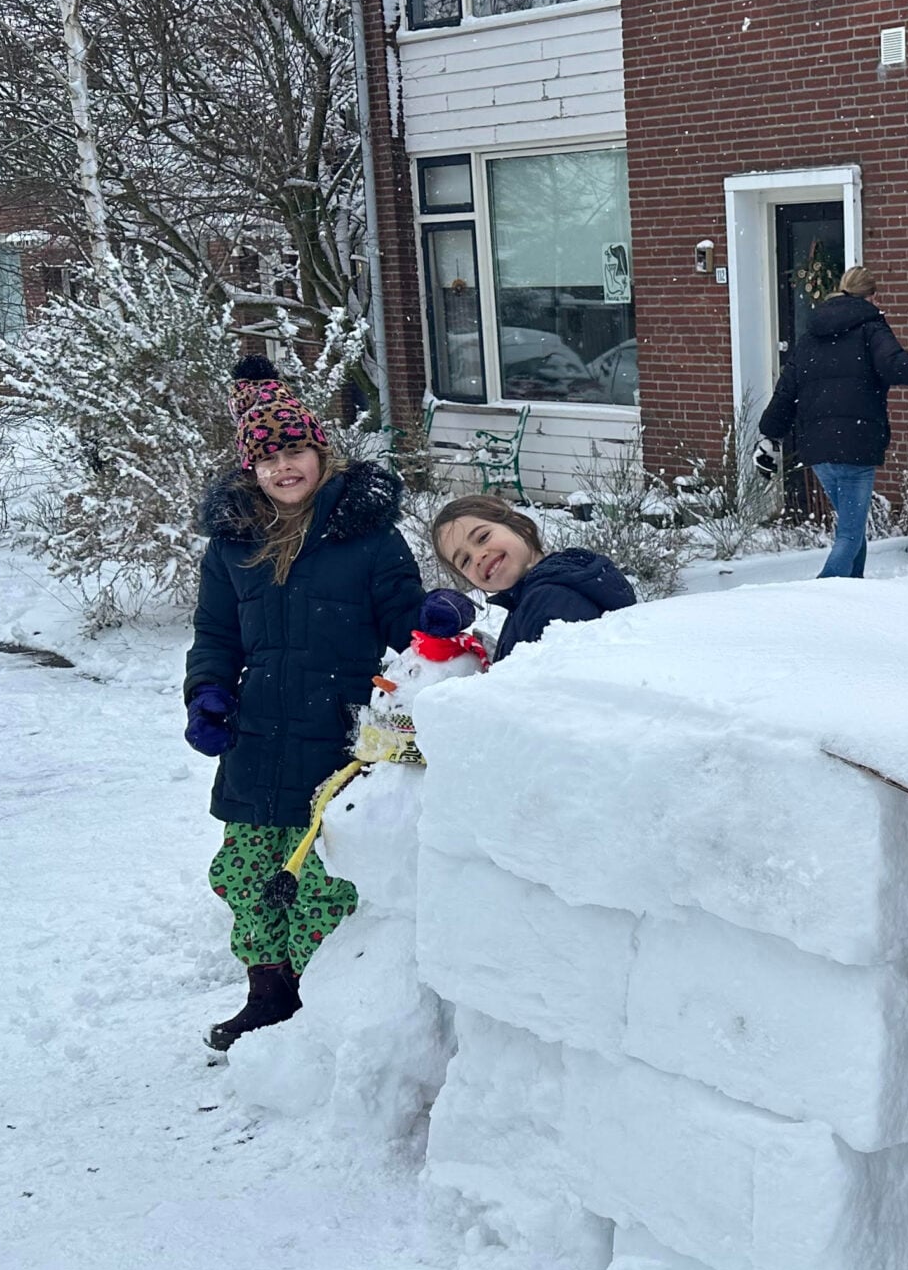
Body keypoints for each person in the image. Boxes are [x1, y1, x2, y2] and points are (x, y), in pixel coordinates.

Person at [183, 358, 444, 1052]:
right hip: (257, 739)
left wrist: (440, 625)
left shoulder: (369, 539)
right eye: (266, 458)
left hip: (340, 747)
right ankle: (267, 996)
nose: (283, 468)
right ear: (249, 468)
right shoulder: (232, 547)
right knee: (245, 875)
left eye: (294, 450)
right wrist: (206, 693)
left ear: (320, 451)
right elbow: (214, 634)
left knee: (325, 883)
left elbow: (407, 632)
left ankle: (315, 1000)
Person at [754, 265, 908, 579]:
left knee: (851, 530)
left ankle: (852, 595)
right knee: (850, 535)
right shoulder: (871, 326)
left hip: (818, 449)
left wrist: (769, 434)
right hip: (855, 444)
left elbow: (787, 388)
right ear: (873, 296)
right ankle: (814, 598)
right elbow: (897, 367)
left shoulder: (811, 334)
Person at [429, 493, 637, 659]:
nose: (478, 557)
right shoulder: (530, 597)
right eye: (464, 561)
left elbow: (551, 696)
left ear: (523, 527)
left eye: (483, 537)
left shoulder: (548, 602)